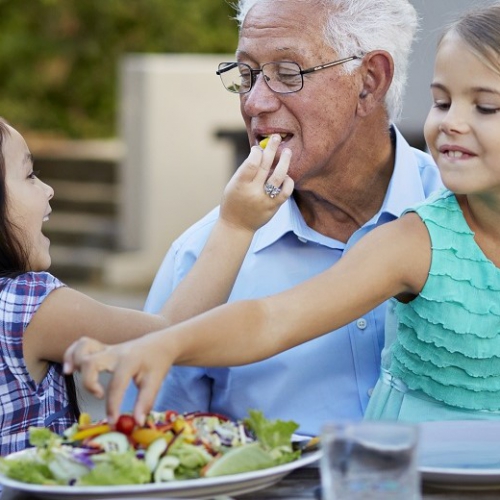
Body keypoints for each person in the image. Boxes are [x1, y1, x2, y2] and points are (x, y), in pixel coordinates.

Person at [65, 2, 500, 427]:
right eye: (247, 75)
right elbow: (161, 433)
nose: (254, 103)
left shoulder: (462, 203)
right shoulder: (202, 256)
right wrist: (161, 343)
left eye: (287, 74)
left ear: (370, 81)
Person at [0, 118, 292, 456]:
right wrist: (236, 224)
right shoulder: (27, 306)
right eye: (29, 175)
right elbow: (168, 336)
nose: (48, 189)